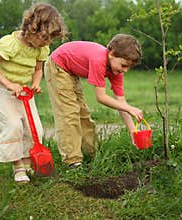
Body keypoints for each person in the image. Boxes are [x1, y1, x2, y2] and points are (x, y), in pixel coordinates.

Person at [0, 3, 66, 183]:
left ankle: (29, 162)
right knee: (14, 126)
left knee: (34, 128)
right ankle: (18, 166)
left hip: (25, 93)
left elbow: (38, 69)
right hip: (6, 93)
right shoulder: (11, 44)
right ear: (32, 28)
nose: (47, 43)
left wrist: (36, 84)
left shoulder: (41, 48)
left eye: (50, 40)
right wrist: (8, 84)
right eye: (45, 38)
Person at [44, 34, 143, 168]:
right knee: (69, 115)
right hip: (58, 66)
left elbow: (121, 103)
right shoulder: (99, 60)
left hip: (71, 72)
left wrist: (133, 131)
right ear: (111, 54)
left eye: (128, 67)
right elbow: (101, 97)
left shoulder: (116, 72)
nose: (125, 70)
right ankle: (72, 161)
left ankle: (92, 155)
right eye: (124, 65)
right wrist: (129, 108)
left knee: (83, 115)